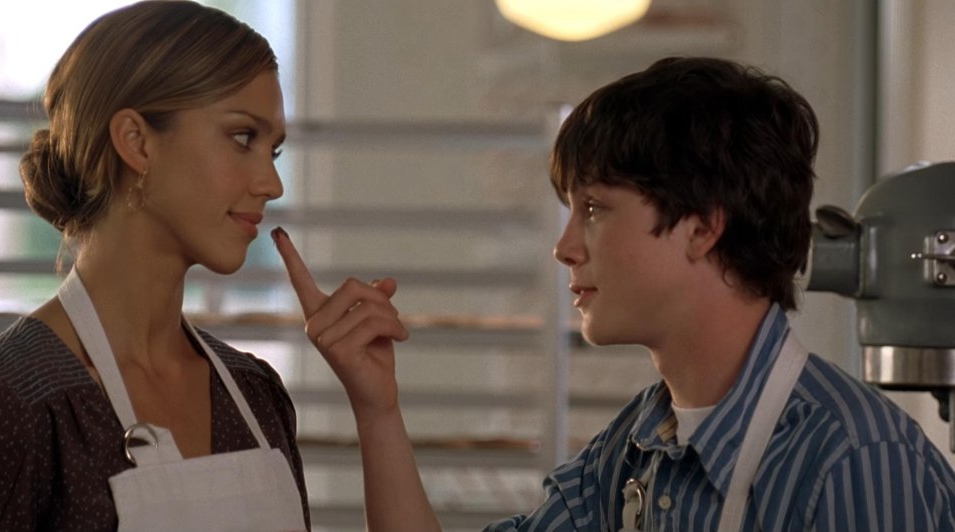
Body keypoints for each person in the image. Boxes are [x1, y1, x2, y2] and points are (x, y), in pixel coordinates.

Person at [272, 56, 955, 531]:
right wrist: (377, 409)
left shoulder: (855, 458)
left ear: (701, 227)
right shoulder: (634, 448)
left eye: (594, 208)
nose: (565, 246)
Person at [0, 2, 311, 530]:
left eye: (275, 150)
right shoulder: (7, 403)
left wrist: (375, 408)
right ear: (136, 141)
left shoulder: (254, 393)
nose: (272, 184)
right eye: (244, 137)